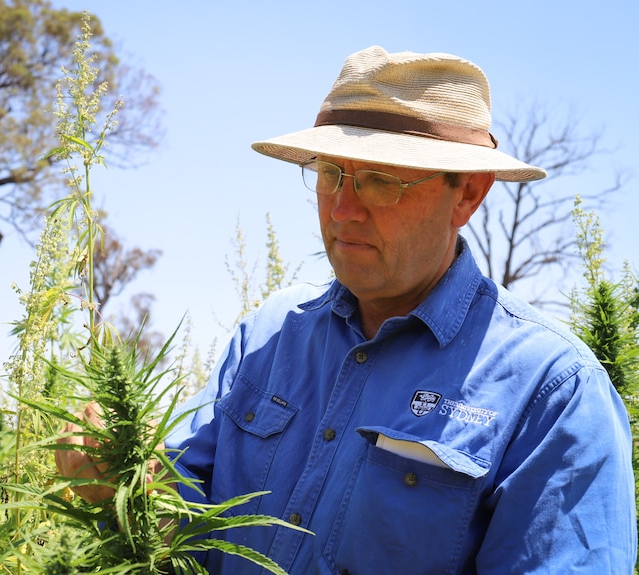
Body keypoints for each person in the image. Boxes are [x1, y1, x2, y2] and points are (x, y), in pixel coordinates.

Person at [58, 46, 637, 574]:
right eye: (332, 174)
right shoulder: (267, 337)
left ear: (468, 193)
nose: (343, 210)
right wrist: (117, 483)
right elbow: (178, 529)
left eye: (382, 181)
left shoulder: (553, 391)